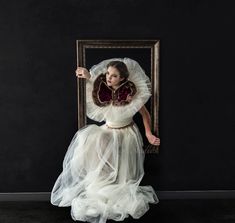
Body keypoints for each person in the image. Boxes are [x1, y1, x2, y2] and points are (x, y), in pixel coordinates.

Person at [50, 57, 160, 223]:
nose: (109, 77)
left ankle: (116, 186)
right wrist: (87, 75)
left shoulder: (131, 92)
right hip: (108, 129)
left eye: (114, 76)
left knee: (120, 162)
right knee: (89, 137)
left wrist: (148, 134)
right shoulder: (101, 88)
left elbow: (145, 114)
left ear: (122, 78)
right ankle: (102, 182)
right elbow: (94, 81)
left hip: (125, 132)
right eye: (108, 73)